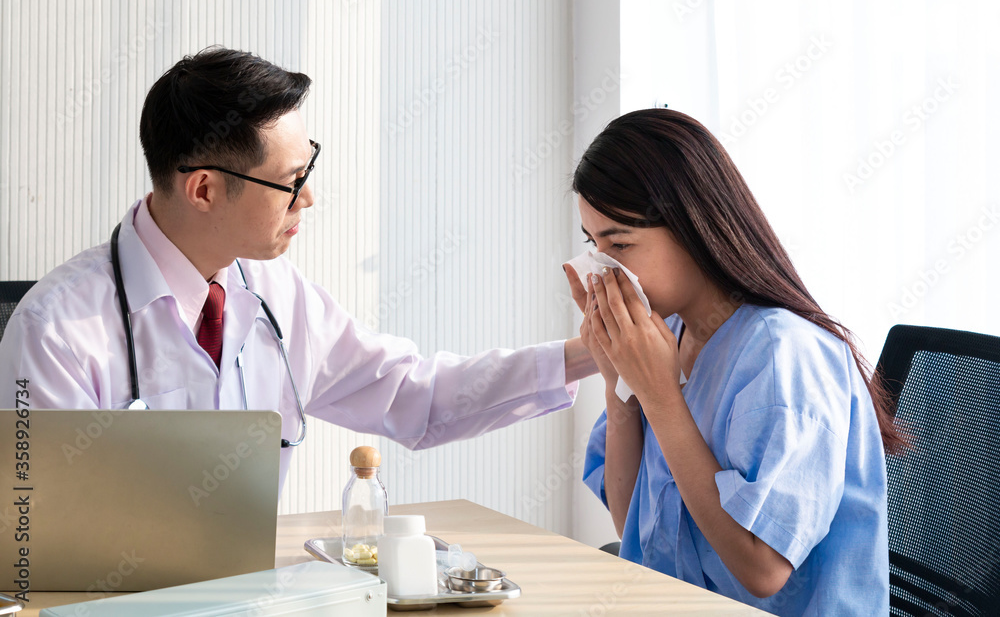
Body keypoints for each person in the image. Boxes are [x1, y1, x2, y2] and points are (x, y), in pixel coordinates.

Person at [0, 47, 596, 488]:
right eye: (292, 182)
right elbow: (39, 539)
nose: (308, 199)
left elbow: (416, 395)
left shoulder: (273, 292)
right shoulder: (56, 331)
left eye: (307, 170)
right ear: (204, 189)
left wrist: (592, 352)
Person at [563, 109, 898, 615]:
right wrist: (620, 387)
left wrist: (659, 395)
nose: (604, 270)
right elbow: (633, 523)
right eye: (595, 245)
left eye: (620, 244)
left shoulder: (784, 357)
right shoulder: (670, 333)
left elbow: (763, 569)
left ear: (693, 226)